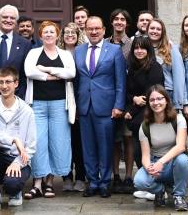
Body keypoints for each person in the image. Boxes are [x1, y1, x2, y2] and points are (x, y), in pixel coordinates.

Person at [23, 21, 76, 199]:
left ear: (57, 34)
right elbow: (29, 71)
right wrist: (51, 77)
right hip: (37, 104)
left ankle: (49, 183)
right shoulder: (33, 53)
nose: (48, 34)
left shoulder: (66, 54)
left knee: (57, 142)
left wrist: (45, 70)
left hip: (60, 104)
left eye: (52, 32)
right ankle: (37, 183)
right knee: (38, 143)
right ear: (40, 35)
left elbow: (71, 74)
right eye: (45, 32)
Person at [74, 16, 126, 197]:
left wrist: (119, 105)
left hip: (106, 106)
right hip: (85, 107)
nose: (94, 32)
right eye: (90, 29)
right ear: (85, 31)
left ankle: (104, 182)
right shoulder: (78, 51)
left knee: (105, 147)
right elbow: (76, 81)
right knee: (87, 147)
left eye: (97, 28)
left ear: (104, 30)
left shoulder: (114, 51)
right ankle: (92, 182)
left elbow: (121, 81)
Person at [0, 67, 37, 211]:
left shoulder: (27, 111)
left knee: (12, 185)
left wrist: (17, 163)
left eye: (8, 82)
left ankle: (15, 192)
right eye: (1, 82)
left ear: (16, 84)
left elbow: (31, 147)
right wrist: (12, 139)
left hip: (17, 161)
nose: (4, 86)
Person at [133, 85, 188, 211]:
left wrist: (161, 162)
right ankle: (160, 190)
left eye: (160, 99)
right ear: (148, 103)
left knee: (183, 160)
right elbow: (145, 155)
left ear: (166, 100)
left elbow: (181, 146)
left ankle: (179, 196)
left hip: (173, 162)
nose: (156, 103)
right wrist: (149, 168)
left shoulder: (179, 119)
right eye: (152, 100)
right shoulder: (145, 126)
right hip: (155, 162)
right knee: (139, 181)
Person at [124, 35, 164, 199]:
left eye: (143, 48)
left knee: (151, 152)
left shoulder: (155, 67)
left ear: (148, 50)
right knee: (138, 152)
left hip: (149, 116)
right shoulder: (132, 68)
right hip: (136, 118)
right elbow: (128, 92)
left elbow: (152, 95)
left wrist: (132, 110)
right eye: (136, 48)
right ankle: (147, 185)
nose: (139, 51)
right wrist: (133, 100)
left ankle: (157, 187)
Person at [58, 22, 87, 193]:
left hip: (79, 101)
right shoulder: (58, 53)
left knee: (78, 142)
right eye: (66, 32)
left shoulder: (82, 53)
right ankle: (66, 176)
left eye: (73, 32)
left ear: (78, 35)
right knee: (63, 142)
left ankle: (81, 177)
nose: (69, 35)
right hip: (60, 102)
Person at [148, 18, 187, 110]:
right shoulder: (142, 49)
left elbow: (179, 77)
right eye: (152, 28)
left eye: (158, 29)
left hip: (167, 94)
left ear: (163, 32)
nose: (155, 31)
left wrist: (180, 103)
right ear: (147, 30)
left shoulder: (171, 48)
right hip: (148, 96)